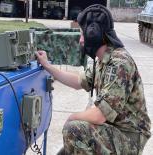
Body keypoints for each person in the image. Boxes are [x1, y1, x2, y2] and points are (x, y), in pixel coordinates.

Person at [36, 4, 151, 155]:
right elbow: (78, 81)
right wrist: (47, 66)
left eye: (83, 35)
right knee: (67, 150)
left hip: (129, 137)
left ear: (94, 34)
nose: (81, 41)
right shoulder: (104, 60)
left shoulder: (119, 63)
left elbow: (99, 115)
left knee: (74, 130)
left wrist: (71, 118)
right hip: (115, 130)